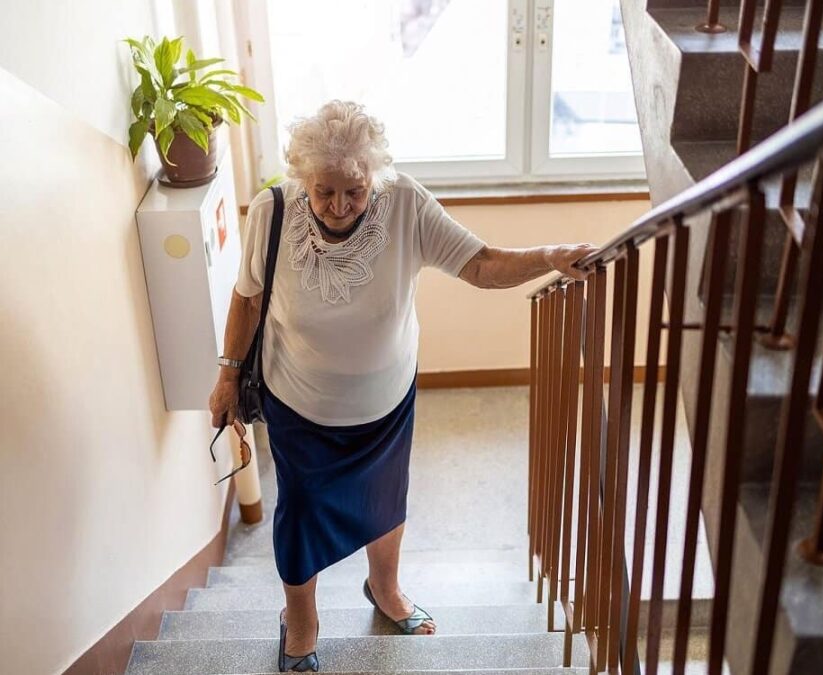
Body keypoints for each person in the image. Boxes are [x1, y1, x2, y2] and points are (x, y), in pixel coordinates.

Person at [208, 100, 595, 672]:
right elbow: (247, 296)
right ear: (303, 180)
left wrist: (550, 257)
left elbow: (481, 264)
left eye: (354, 191)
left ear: (374, 178)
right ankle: (302, 622)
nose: (339, 206)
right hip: (299, 403)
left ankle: (385, 591)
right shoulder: (271, 211)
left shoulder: (406, 202)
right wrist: (225, 374)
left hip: (384, 403)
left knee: (385, 502)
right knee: (302, 512)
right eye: (324, 191)